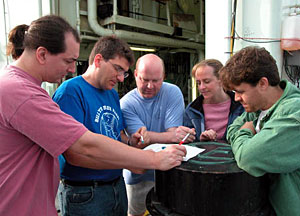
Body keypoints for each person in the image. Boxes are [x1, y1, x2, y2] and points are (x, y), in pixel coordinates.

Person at [0, 15, 186, 216]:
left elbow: (114, 135)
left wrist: (130, 143)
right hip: (77, 195)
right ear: (42, 54)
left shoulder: (30, 90)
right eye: (68, 61)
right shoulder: (24, 92)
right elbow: (81, 147)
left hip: (109, 188)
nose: (72, 68)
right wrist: (151, 159)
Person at [52, 35, 145, 216]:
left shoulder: (110, 93)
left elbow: (116, 134)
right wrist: (133, 160)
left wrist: (130, 142)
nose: (120, 78)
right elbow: (75, 153)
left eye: (124, 73)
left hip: (117, 186)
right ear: (98, 60)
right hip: (86, 193)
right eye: (118, 69)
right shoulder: (70, 92)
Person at [219, 46, 300, 216]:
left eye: (240, 91)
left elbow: (248, 157)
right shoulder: (258, 108)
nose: (236, 98)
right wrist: (245, 135)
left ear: (263, 83)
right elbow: (231, 128)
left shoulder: (294, 112)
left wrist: (244, 134)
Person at [120, 54, 195, 216]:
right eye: (144, 79)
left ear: (164, 77)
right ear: (135, 75)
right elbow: (141, 142)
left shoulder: (173, 92)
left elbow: (168, 134)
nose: (150, 86)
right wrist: (170, 136)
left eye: (156, 80)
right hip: (138, 175)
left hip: (169, 172)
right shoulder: (126, 104)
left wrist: (154, 136)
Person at [183, 59, 244, 142]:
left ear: (221, 79)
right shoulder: (191, 110)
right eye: (198, 83)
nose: (201, 87)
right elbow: (187, 142)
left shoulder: (241, 105)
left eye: (206, 81)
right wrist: (201, 140)